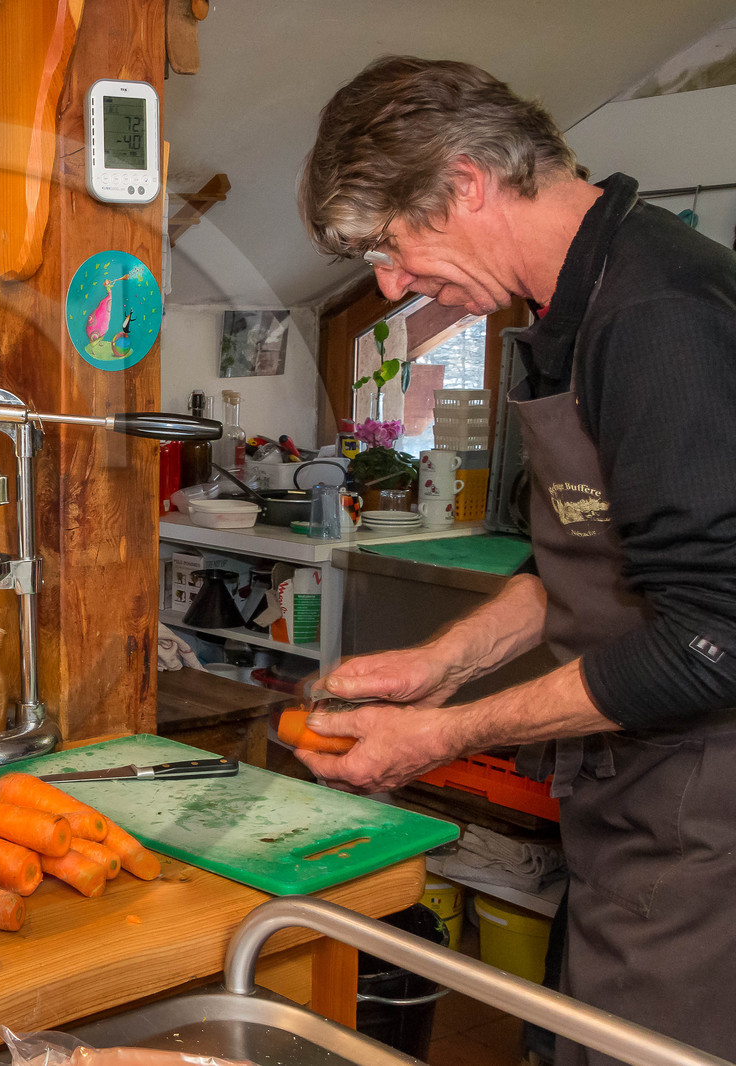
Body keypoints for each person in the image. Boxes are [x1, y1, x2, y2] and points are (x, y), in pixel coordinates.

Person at [297, 57, 736, 1064]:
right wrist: (439, 664)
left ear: (463, 185)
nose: (388, 283)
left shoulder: (661, 313)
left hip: (706, 820)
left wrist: (439, 735)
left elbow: (713, 636)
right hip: (628, 802)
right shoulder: (565, 310)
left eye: (389, 245)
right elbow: (581, 561)